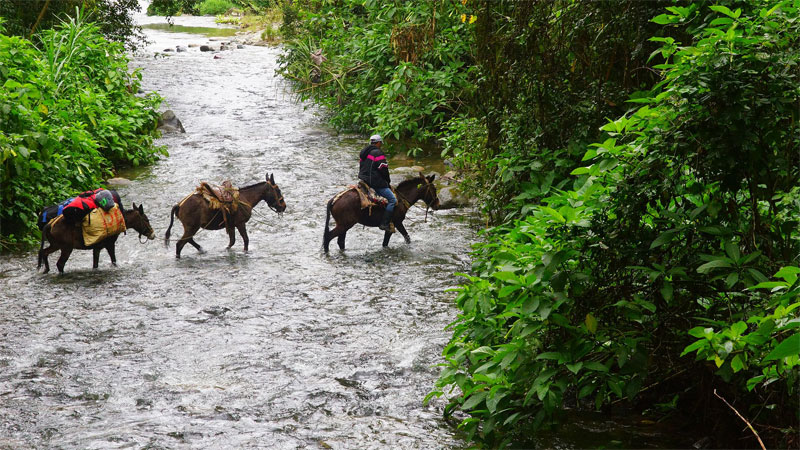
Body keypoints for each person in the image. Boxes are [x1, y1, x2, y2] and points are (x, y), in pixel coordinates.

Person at [358, 134, 396, 231]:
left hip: (364, 180)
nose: (381, 145)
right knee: (392, 200)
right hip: (375, 183)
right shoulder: (378, 153)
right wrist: (387, 181)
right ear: (378, 143)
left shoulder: (363, 152)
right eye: (381, 143)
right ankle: (385, 223)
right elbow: (383, 169)